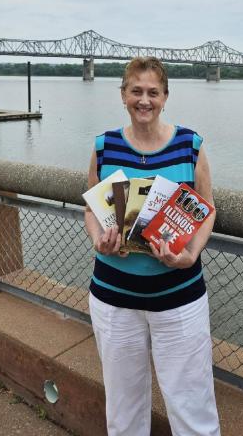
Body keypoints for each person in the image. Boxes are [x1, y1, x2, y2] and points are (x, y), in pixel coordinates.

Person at [85, 57, 221, 436]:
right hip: (113, 298)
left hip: (179, 297)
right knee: (123, 410)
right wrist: (99, 238)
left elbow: (207, 208)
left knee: (192, 406)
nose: (144, 100)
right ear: (123, 95)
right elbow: (93, 208)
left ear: (165, 97)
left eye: (153, 93)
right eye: (136, 91)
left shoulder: (189, 145)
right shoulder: (104, 145)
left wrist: (190, 254)